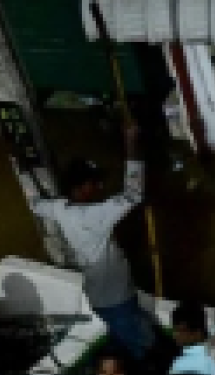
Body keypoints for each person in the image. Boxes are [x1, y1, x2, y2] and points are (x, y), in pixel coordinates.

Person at [30, 124, 155, 360]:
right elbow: (134, 194)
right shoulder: (94, 215)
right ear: (80, 187)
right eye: (94, 183)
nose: (99, 187)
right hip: (118, 298)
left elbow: (36, 204)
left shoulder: (59, 208)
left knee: (118, 338)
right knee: (140, 347)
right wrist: (131, 144)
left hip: (96, 297)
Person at [168, 301, 215, 375]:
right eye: (174, 330)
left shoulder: (181, 364)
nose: (175, 335)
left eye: (180, 331)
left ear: (197, 333)